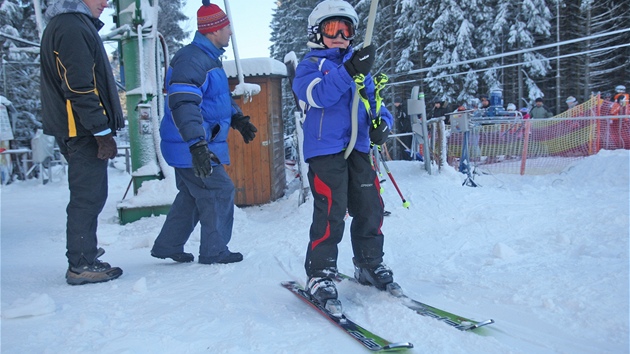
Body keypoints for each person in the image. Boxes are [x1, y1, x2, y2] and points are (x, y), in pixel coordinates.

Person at [292, 0, 396, 313]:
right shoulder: (311, 66)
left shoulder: (360, 67)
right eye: (331, 28)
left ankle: (368, 263)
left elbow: (375, 103)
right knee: (331, 209)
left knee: (369, 206)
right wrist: (349, 70)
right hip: (325, 149)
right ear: (316, 33)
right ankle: (320, 273)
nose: (339, 35)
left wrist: (382, 125)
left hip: (359, 147)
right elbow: (318, 95)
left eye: (346, 28)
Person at [150, 0, 257, 265]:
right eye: (226, 28)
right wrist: (197, 145)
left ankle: (168, 245)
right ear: (213, 31)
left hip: (190, 143)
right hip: (192, 145)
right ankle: (214, 250)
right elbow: (184, 104)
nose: (230, 33)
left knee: (191, 195)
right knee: (220, 190)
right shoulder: (192, 59)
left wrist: (237, 119)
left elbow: (215, 99)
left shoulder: (208, 59)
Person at [40, 0, 124, 285]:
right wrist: (101, 131)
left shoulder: (71, 24)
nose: (106, 3)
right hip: (82, 130)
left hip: (80, 127)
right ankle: (81, 263)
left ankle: (85, 253)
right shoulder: (72, 26)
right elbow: (79, 85)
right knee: (87, 198)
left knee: (91, 195)